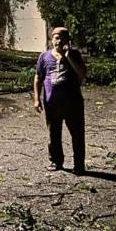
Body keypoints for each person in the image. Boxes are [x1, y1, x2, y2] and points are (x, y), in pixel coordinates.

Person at [33, 26, 88, 174]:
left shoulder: (74, 55)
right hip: (52, 104)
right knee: (54, 134)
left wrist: (68, 56)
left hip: (73, 103)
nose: (59, 40)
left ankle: (79, 165)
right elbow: (38, 77)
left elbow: (82, 74)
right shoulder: (44, 57)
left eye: (63, 37)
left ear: (68, 40)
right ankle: (56, 161)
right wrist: (37, 99)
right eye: (56, 37)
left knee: (77, 134)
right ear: (52, 40)